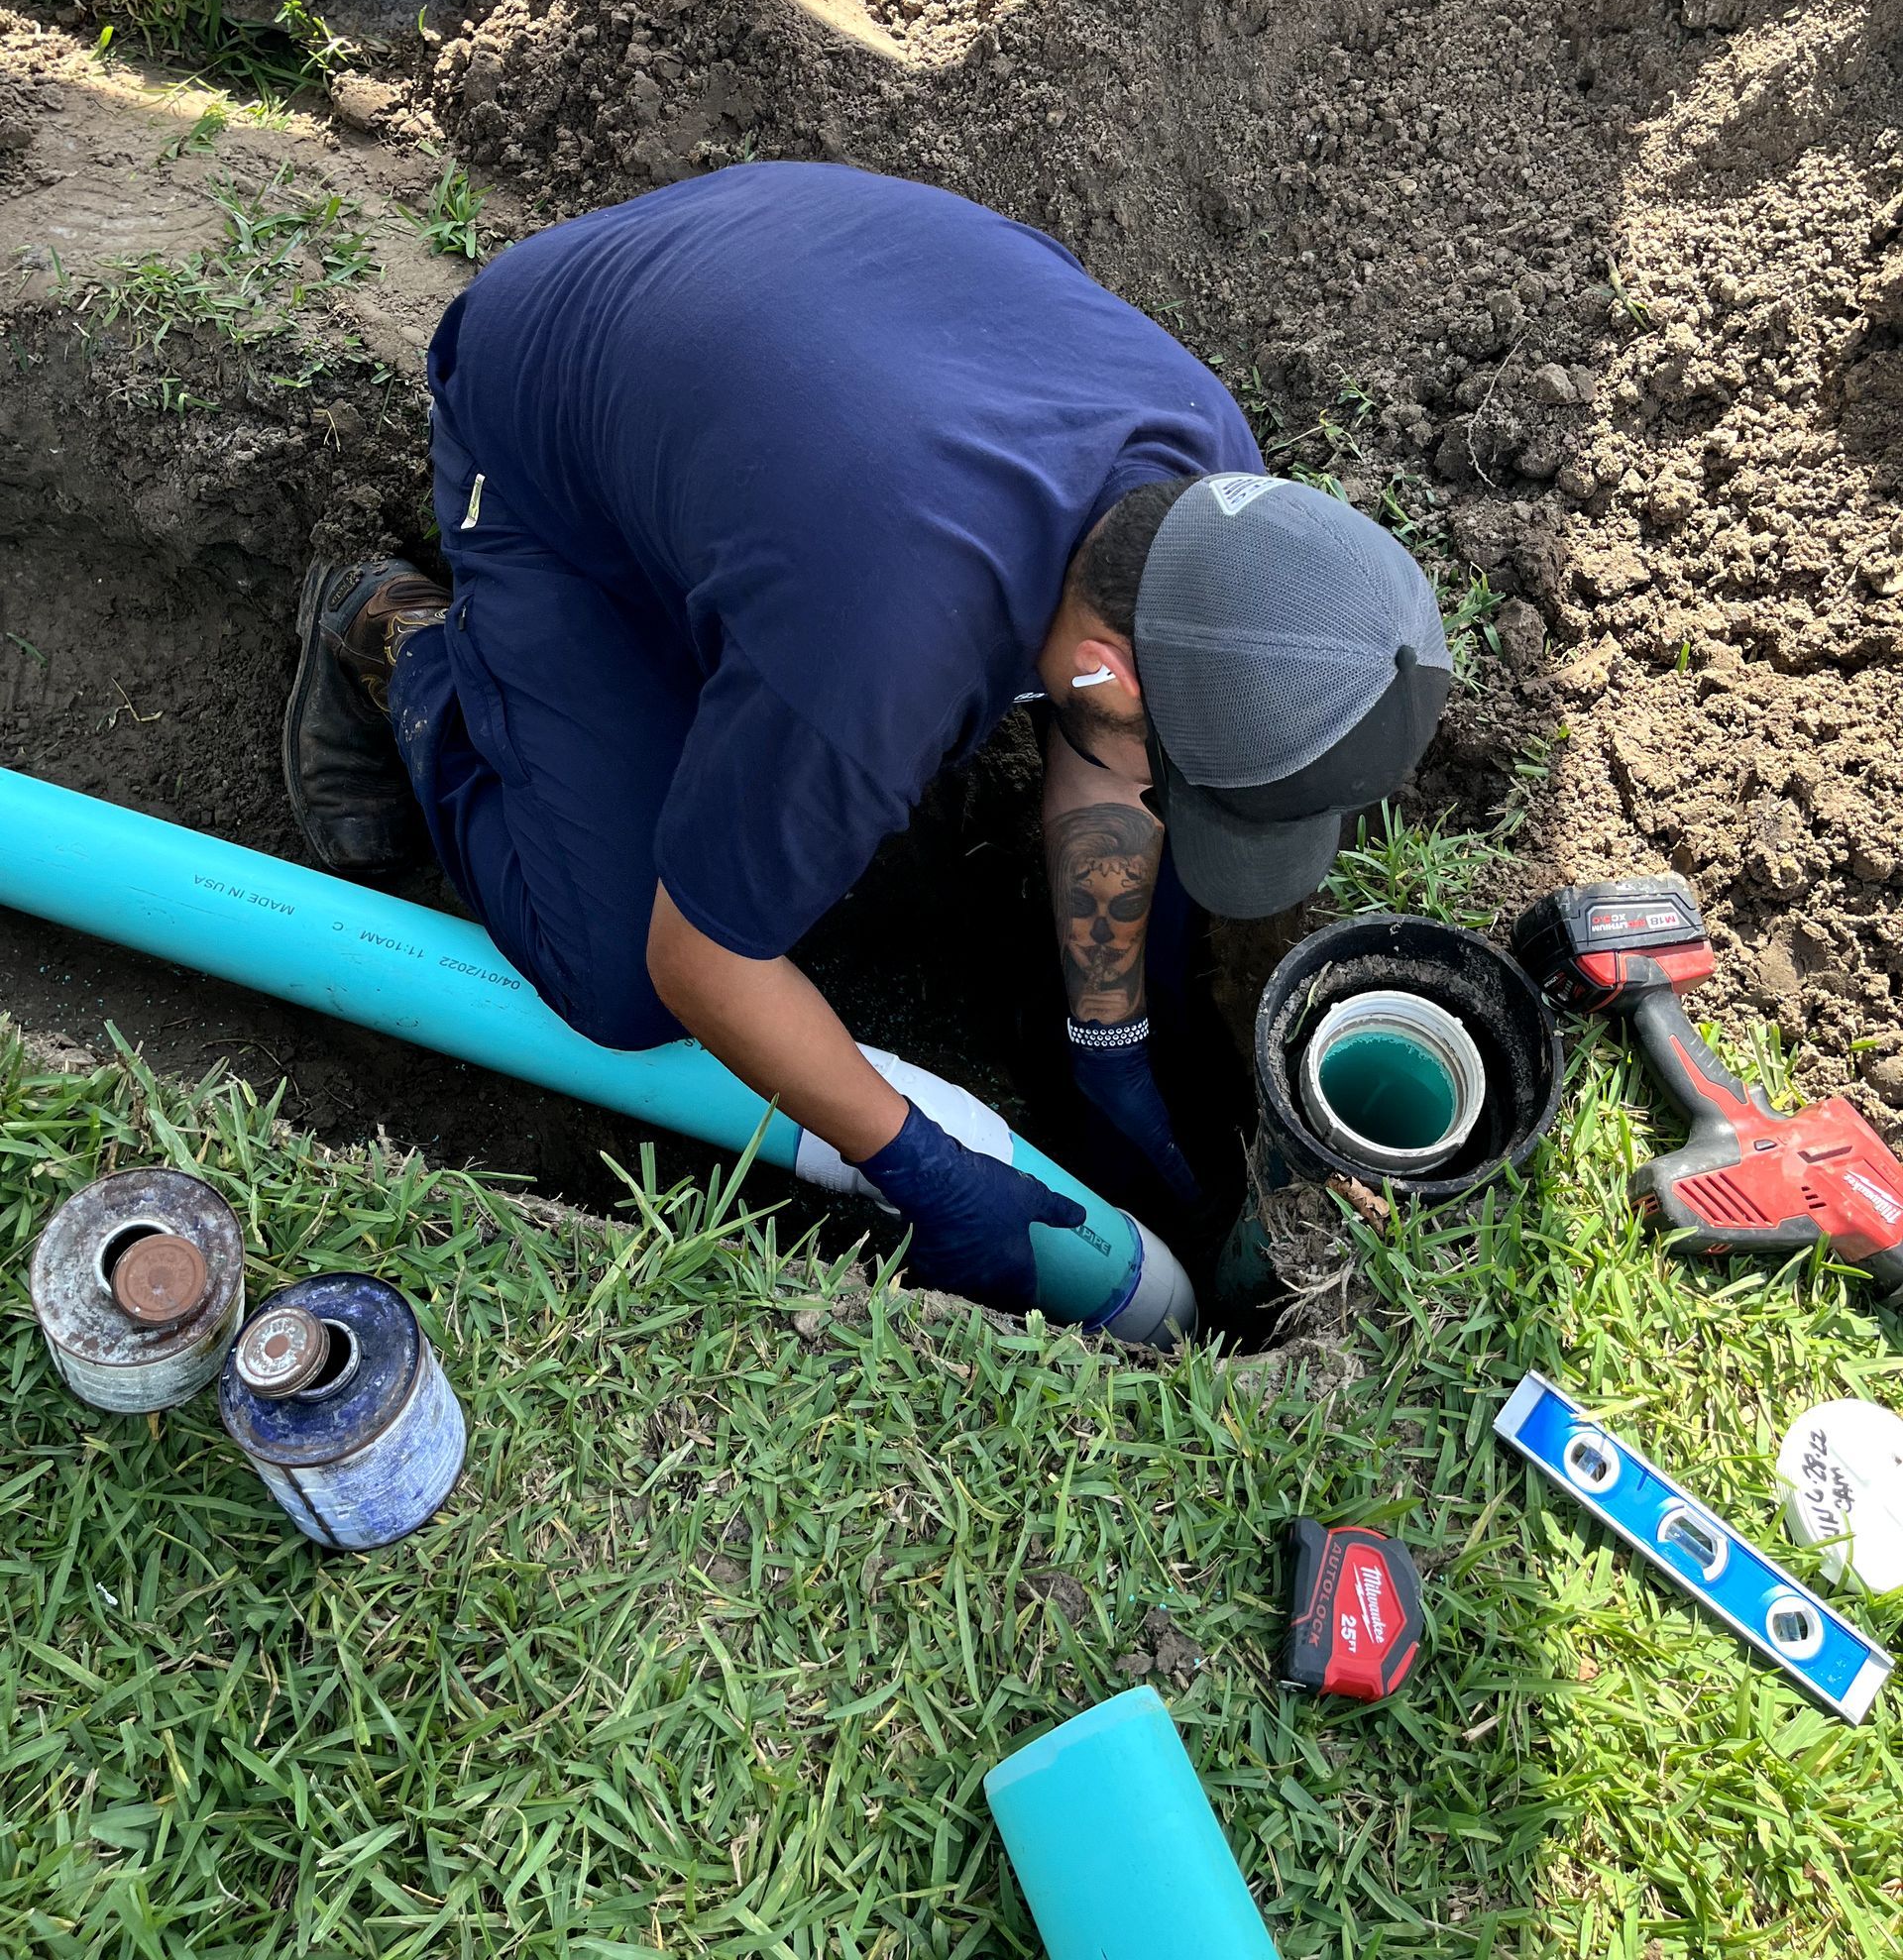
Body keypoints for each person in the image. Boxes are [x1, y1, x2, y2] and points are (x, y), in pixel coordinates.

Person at [284, 163, 1450, 1310]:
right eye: (1179, 781)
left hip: (786, 332)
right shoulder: (880, 651)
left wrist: (1111, 1052)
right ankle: (399, 641)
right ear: (1110, 666)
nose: (1164, 798)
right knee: (615, 980)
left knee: (1148, 876)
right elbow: (698, 966)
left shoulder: (1209, 496)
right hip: (543, 431)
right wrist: (919, 1166)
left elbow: (1103, 743)